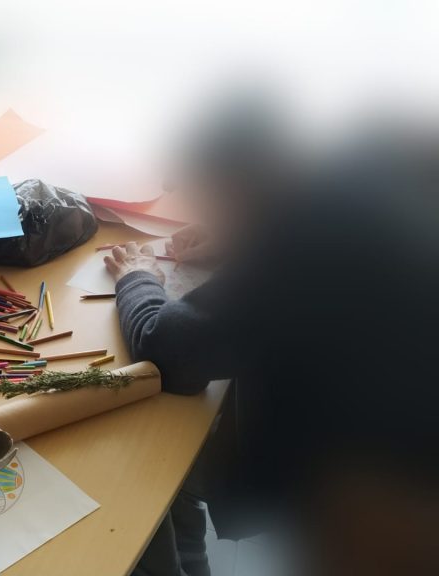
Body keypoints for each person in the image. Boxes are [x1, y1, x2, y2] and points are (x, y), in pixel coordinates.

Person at [107, 98, 439, 575]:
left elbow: (168, 347)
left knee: (154, 464)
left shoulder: (300, 245)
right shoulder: (349, 177)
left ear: (236, 186)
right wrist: (240, 238)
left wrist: (137, 277)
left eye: (206, 198)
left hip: (390, 478)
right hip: (400, 414)